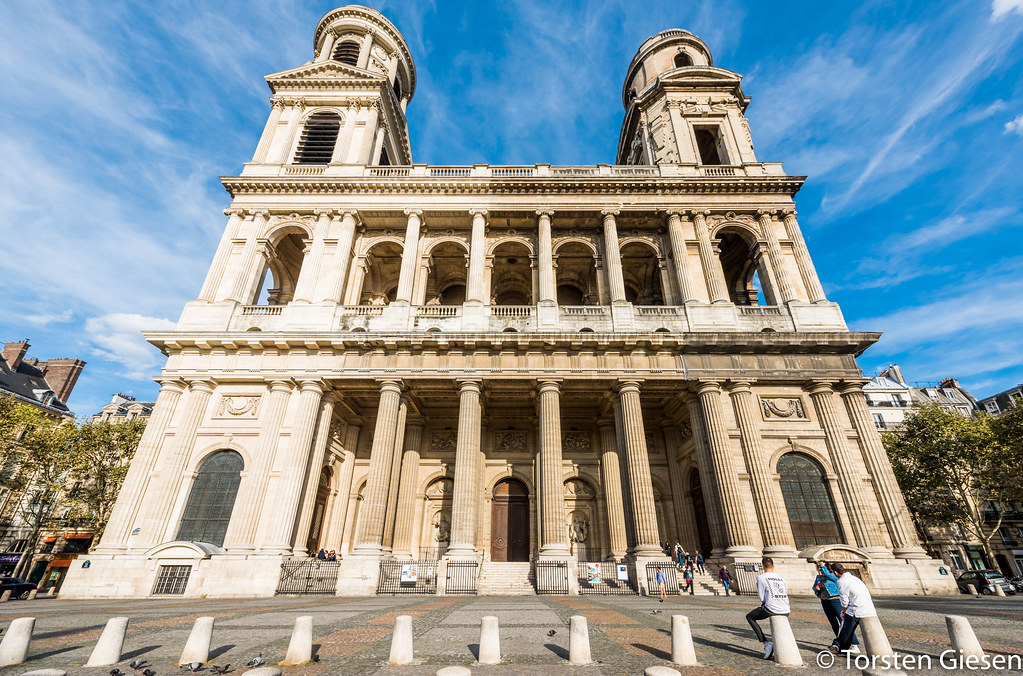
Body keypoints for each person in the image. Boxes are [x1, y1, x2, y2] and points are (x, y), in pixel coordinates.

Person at [745, 557, 790, 660]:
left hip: (772, 609)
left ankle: (766, 644)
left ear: (762, 566)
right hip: (786, 608)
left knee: (750, 617)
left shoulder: (761, 578)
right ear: (773, 566)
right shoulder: (781, 578)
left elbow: (762, 598)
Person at [828, 563, 876, 654]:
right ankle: (838, 645)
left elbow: (844, 600)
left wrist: (843, 611)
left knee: (846, 630)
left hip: (856, 609)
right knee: (846, 629)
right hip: (869, 608)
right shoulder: (855, 578)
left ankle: (842, 650)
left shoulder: (841, 581)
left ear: (835, 572)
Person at [814, 562, 859, 652]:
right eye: (819, 569)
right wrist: (816, 589)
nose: (820, 570)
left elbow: (829, 575)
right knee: (833, 624)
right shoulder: (819, 577)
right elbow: (814, 587)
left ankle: (854, 644)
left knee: (843, 622)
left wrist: (823, 566)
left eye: (822, 569)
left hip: (835, 600)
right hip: (825, 600)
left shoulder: (832, 576)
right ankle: (839, 643)